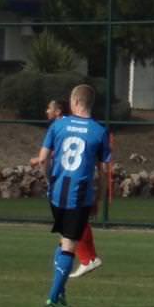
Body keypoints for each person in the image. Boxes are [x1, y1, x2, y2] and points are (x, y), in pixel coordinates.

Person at [33, 84, 112, 307]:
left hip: (57, 192)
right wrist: (99, 198)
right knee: (69, 245)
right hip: (79, 195)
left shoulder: (59, 125)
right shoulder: (99, 131)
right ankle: (53, 297)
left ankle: (61, 294)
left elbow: (42, 159)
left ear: (75, 102)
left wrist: (49, 179)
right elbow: (104, 171)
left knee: (63, 241)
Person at [40, 98, 102, 279]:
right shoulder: (79, 127)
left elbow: (56, 156)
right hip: (76, 181)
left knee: (71, 227)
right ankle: (87, 258)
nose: (46, 111)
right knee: (76, 223)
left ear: (58, 111)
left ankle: (85, 259)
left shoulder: (62, 127)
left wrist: (42, 166)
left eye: (49, 108)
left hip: (65, 183)